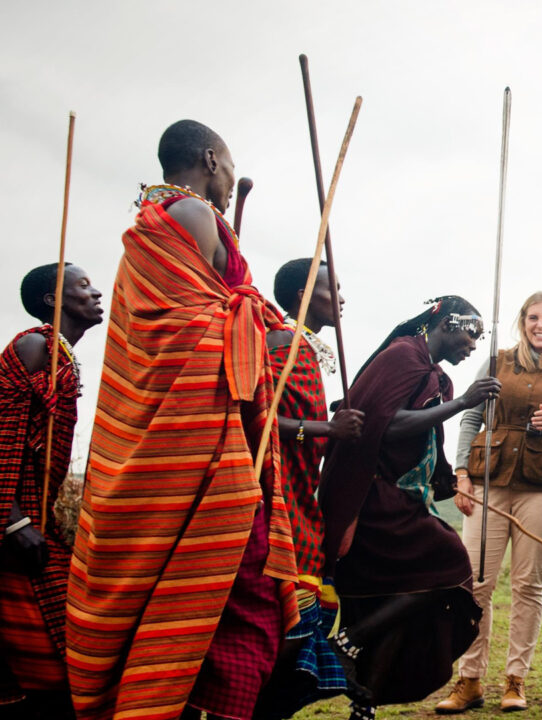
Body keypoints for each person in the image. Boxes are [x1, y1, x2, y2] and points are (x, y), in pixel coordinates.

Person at [65, 120, 301, 720]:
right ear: (210, 159)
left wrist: (240, 310)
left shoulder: (151, 222)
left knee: (191, 593)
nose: (227, 187)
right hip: (201, 446)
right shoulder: (193, 216)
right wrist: (260, 327)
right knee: (244, 594)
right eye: (226, 167)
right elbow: (197, 327)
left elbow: (185, 318)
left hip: (160, 434)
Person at [320, 297, 495, 720]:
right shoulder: (403, 356)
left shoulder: (425, 367)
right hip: (378, 500)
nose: (473, 345)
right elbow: (386, 425)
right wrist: (462, 403)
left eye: (479, 337)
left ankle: (367, 703)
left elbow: (415, 434)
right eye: (470, 333)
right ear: (446, 323)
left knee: (404, 612)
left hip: (403, 499)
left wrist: (443, 477)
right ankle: (347, 639)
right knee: (449, 566)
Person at [436, 291, 542, 714]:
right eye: (534, 317)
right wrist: (461, 474)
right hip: (487, 483)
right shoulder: (497, 361)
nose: (541, 325)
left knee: (528, 585)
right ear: (523, 322)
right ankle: (469, 680)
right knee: (476, 584)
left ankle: (515, 680)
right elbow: (470, 416)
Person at [254, 259, 365, 719]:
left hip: (303, 497)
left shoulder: (304, 346)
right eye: (330, 288)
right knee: (290, 625)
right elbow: (259, 419)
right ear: (302, 295)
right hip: (278, 499)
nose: (339, 298)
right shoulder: (282, 342)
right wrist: (326, 428)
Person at [0, 263, 103, 718]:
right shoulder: (35, 345)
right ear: (51, 300)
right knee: (45, 668)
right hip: (14, 527)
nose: (97, 293)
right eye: (83, 286)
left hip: (37, 522)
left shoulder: (62, 357)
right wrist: (14, 520)